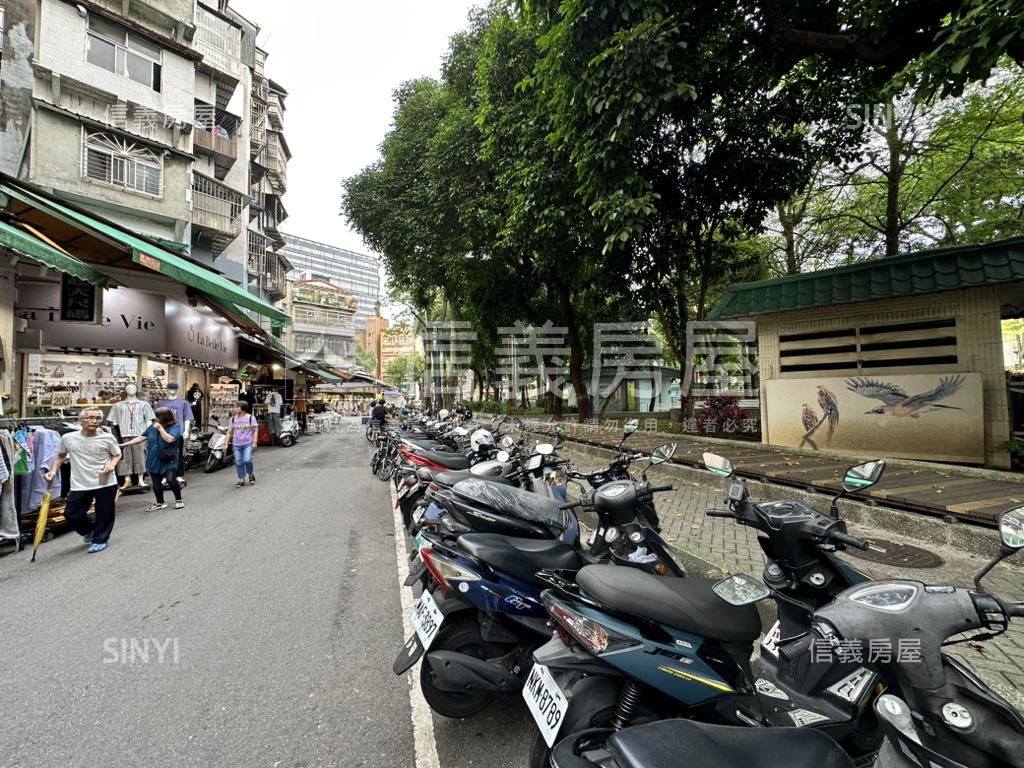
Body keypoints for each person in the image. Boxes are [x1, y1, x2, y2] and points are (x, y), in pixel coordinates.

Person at [43, 408, 121, 554]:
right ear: (80, 420)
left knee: (105, 512)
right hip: (80, 483)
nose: (95, 421)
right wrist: (53, 471)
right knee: (72, 514)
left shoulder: (108, 438)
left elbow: (117, 454)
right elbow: (60, 456)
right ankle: (90, 530)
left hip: (105, 481)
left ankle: (100, 539)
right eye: (90, 417)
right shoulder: (68, 438)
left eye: (98, 418)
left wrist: (112, 465)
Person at [120, 407, 184, 511]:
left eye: (157, 417)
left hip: (168, 457)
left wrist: (160, 429)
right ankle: (160, 502)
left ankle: (178, 500)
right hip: (154, 458)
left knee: (171, 479)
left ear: (165, 417)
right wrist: (125, 444)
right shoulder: (152, 427)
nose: (154, 419)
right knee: (156, 481)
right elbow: (142, 437)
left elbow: (170, 439)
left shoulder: (175, 427)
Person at [226, 400, 258, 488]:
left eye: (237, 407)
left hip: (248, 443)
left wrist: (255, 442)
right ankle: (241, 479)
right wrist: (225, 443)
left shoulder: (250, 418)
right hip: (236, 444)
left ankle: (250, 473)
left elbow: (255, 431)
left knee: (247, 460)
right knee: (238, 462)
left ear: (243, 408)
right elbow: (229, 432)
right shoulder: (233, 419)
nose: (235, 409)